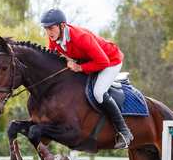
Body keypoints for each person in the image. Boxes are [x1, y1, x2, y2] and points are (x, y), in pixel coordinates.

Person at [40, 8, 133, 149]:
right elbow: (51, 58)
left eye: (51, 28)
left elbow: (103, 62)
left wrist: (80, 68)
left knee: (99, 92)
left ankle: (125, 132)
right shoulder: (54, 37)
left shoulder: (81, 37)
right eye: (46, 29)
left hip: (110, 61)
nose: (48, 33)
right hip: (89, 61)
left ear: (62, 26)